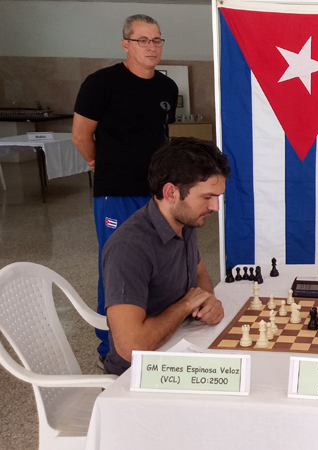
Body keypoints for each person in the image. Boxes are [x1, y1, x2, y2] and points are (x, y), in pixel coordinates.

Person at [71, 14, 179, 363]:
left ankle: (151, 333)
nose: (151, 47)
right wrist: (96, 164)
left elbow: (161, 137)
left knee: (160, 263)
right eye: (143, 40)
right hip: (116, 192)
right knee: (118, 268)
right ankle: (113, 350)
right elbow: (80, 135)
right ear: (126, 44)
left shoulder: (167, 88)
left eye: (157, 40)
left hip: (158, 193)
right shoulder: (101, 83)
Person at [101, 138, 230, 376]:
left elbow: (198, 272)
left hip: (180, 345)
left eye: (217, 197)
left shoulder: (185, 221)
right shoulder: (129, 249)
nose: (215, 207)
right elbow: (131, 347)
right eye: (207, 197)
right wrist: (185, 306)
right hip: (139, 373)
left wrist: (207, 301)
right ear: (171, 192)